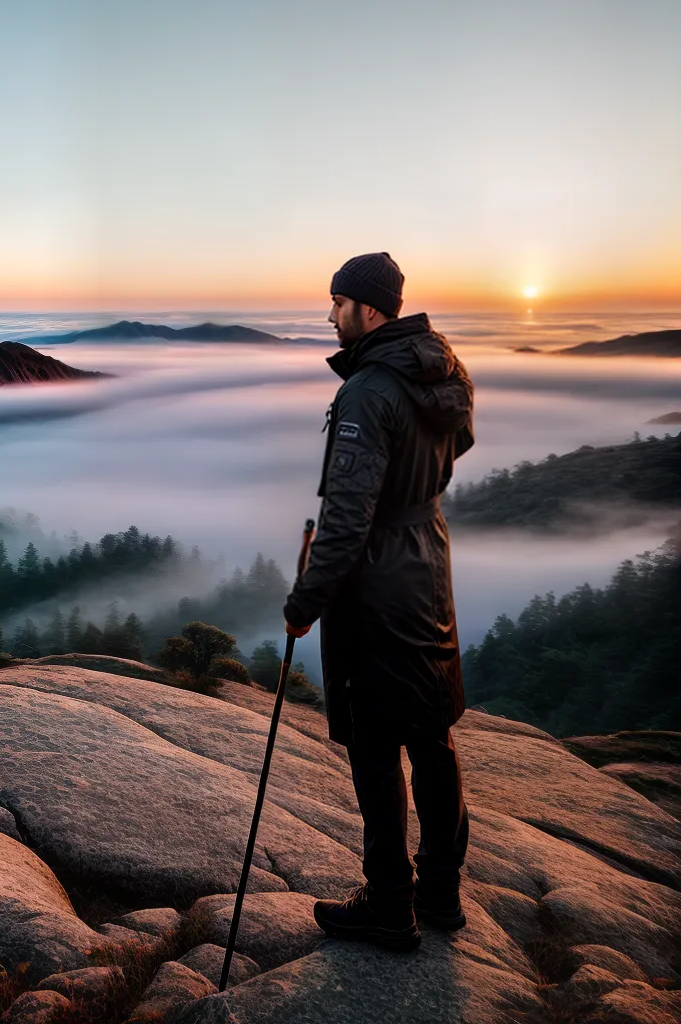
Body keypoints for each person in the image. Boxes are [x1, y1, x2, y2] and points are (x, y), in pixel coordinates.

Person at [283, 252, 474, 953]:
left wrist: (305, 600)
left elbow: (346, 517)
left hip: (377, 582)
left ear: (366, 309)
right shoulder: (444, 367)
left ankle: (391, 904)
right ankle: (442, 892)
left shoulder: (368, 390)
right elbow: (461, 442)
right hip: (430, 560)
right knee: (430, 732)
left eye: (336, 304)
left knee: (374, 743)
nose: (331, 317)